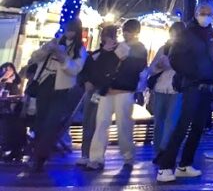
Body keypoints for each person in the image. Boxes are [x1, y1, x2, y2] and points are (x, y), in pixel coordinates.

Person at [155, 2, 213, 183]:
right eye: (202, 12)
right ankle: (165, 167)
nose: (205, 16)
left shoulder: (210, 36)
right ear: (196, 13)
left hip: (206, 86)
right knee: (182, 126)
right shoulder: (187, 34)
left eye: (208, 13)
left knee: (198, 127)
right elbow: (175, 58)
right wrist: (195, 74)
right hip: (192, 85)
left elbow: (211, 60)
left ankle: (185, 164)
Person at [27, 18, 87, 171]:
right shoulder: (55, 41)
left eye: (72, 30)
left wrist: (63, 58)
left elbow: (75, 69)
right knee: (40, 121)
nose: (68, 33)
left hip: (62, 88)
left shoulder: (79, 49)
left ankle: (40, 157)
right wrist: (47, 50)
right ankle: (36, 154)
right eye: (67, 29)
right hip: (44, 82)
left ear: (77, 31)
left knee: (51, 123)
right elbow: (34, 58)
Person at [89, 18, 148, 169]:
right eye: (125, 31)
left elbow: (138, 68)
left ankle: (128, 155)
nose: (127, 34)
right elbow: (102, 65)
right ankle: (96, 158)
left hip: (124, 90)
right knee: (101, 123)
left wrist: (124, 57)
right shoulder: (117, 46)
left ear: (136, 32)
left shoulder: (140, 48)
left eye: (130, 31)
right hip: (108, 90)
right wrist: (106, 51)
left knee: (124, 125)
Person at [76, 25, 120, 167]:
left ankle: (96, 156)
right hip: (92, 90)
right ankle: (85, 153)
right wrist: (86, 81)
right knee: (88, 122)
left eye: (110, 35)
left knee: (99, 124)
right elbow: (84, 71)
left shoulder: (117, 55)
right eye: (105, 35)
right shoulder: (95, 54)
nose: (107, 38)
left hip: (105, 92)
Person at [146, 22, 185, 156]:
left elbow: (188, 69)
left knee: (171, 121)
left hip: (176, 89)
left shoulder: (186, 50)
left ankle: (165, 151)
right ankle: (158, 151)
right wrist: (159, 67)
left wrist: (173, 65)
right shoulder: (163, 49)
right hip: (160, 88)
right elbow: (151, 69)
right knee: (159, 121)